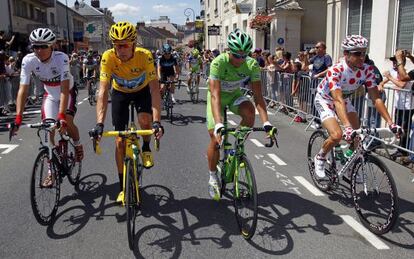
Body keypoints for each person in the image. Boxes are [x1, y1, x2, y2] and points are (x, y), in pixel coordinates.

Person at [90, 22, 164, 203]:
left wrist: (157, 122)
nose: (120, 49)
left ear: (133, 44)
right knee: (119, 140)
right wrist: (99, 124)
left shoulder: (145, 56)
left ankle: (145, 147)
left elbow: (154, 90)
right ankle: (122, 186)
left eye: (124, 45)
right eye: (116, 44)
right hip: (120, 93)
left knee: (144, 120)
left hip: (141, 91)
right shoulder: (108, 57)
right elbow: (103, 90)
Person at [313, 35, 402, 178]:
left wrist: (391, 123)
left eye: (364, 53)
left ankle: (349, 162)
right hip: (326, 99)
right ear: (346, 54)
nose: (362, 57)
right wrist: (347, 127)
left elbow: (376, 98)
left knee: (358, 136)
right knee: (337, 135)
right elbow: (337, 99)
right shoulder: (336, 70)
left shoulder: (367, 70)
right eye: (357, 53)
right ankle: (321, 157)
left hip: (344, 99)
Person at [206, 29, 277, 200]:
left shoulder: (251, 65)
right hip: (217, 98)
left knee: (249, 110)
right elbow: (215, 94)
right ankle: (213, 175)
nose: (240, 59)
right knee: (216, 140)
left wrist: (266, 122)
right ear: (229, 51)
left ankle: (236, 149)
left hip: (235, 96)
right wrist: (218, 124)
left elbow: (258, 96)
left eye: (244, 55)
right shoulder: (218, 62)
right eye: (237, 55)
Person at [11, 28, 83, 186]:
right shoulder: (28, 60)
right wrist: (18, 117)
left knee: (68, 121)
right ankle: (51, 170)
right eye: (35, 46)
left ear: (52, 46)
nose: (39, 50)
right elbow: (23, 90)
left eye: (43, 46)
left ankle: (77, 145)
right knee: (47, 129)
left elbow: (64, 89)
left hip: (67, 92)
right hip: (49, 94)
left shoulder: (61, 58)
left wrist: (62, 116)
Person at [383, 55, 414, 158]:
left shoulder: (405, 73)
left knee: (405, 129)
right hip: (398, 105)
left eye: (396, 62)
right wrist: (380, 85)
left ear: (402, 63)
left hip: (408, 106)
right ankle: (401, 149)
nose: (394, 64)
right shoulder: (393, 72)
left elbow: (402, 85)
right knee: (399, 128)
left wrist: (390, 78)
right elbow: (384, 81)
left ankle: (403, 150)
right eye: (393, 62)